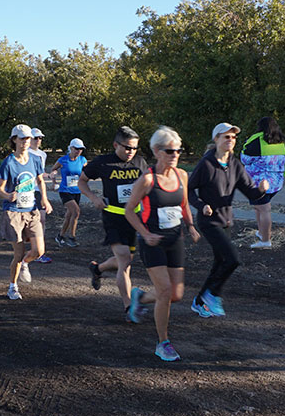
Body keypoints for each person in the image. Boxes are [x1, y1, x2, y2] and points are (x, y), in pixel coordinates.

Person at [124, 127, 200, 362]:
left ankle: (140, 297)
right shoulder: (147, 180)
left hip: (174, 240)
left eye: (178, 150)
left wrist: (190, 226)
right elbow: (129, 211)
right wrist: (145, 235)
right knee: (165, 291)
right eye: (169, 150)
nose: (175, 154)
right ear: (157, 152)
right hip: (152, 242)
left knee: (176, 294)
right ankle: (162, 342)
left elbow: (184, 204)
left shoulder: (181, 176)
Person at [188, 123, 269, 318]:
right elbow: (189, 189)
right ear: (216, 139)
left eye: (233, 137)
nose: (230, 140)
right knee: (232, 260)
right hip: (209, 222)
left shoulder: (234, 164)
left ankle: (199, 300)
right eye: (226, 137)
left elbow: (249, 191)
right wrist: (201, 206)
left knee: (220, 262)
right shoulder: (206, 164)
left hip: (226, 221)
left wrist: (261, 190)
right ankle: (213, 295)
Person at [79, 126, 149, 316]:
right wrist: (94, 198)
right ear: (115, 145)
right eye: (127, 148)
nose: (131, 152)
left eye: (134, 148)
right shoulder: (103, 162)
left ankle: (98, 268)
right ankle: (129, 307)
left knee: (124, 260)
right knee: (125, 260)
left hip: (133, 218)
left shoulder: (140, 162)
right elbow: (81, 181)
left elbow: (149, 186)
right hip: (113, 216)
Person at [0, 124, 52, 300]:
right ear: (14, 140)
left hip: (32, 210)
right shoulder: (9, 162)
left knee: (39, 251)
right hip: (13, 212)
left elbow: (41, 180)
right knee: (18, 254)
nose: (26, 142)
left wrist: (44, 198)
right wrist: (8, 195)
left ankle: (27, 263)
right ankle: (13, 286)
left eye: (28, 138)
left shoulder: (35, 159)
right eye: (22, 138)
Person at [240, 116, 285, 249]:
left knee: (264, 209)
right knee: (259, 207)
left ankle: (265, 241)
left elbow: (245, 158)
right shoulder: (281, 142)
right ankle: (262, 232)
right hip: (276, 183)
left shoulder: (256, 141)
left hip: (259, 184)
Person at [50, 138, 87, 247]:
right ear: (71, 148)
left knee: (69, 215)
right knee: (76, 211)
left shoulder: (82, 160)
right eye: (76, 148)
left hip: (77, 191)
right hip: (65, 190)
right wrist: (54, 181)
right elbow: (53, 169)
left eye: (81, 149)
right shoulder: (63, 160)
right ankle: (72, 237)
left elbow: (86, 171)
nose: (78, 151)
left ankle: (60, 236)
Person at [28, 127, 51, 263]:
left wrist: (50, 176)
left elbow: (40, 174)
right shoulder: (26, 153)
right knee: (28, 221)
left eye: (40, 138)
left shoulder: (43, 155)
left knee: (41, 219)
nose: (38, 140)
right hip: (27, 191)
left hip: (38, 190)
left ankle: (38, 251)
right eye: (36, 138)